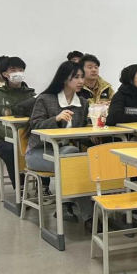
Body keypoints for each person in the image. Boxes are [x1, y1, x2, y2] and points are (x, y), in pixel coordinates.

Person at [25, 62, 92, 225]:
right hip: (38, 152)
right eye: (76, 77)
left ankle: (68, 205)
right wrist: (55, 119)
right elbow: (35, 126)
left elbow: (79, 132)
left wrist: (92, 136)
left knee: (73, 157)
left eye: (82, 77)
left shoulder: (83, 103)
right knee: (73, 161)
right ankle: (87, 216)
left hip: (63, 151)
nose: (81, 81)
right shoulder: (45, 99)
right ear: (64, 79)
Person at [0, 57, 36, 190]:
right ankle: (20, 187)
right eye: (13, 70)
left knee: (43, 146)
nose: (18, 73)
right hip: (4, 139)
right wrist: (15, 136)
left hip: (28, 135)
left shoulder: (31, 94)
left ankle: (43, 186)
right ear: (5, 74)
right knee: (12, 149)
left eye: (21, 69)